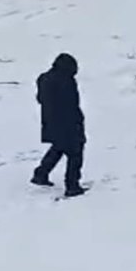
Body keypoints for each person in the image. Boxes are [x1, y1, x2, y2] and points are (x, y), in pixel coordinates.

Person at [31, 53, 87, 197]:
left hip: (51, 122)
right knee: (75, 153)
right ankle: (72, 185)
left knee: (59, 148)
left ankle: (41, 174)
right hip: (68, 123)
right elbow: (71, 104)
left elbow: (40, 99)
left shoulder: (44, 78)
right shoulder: (66, 81)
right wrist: (78, 121)